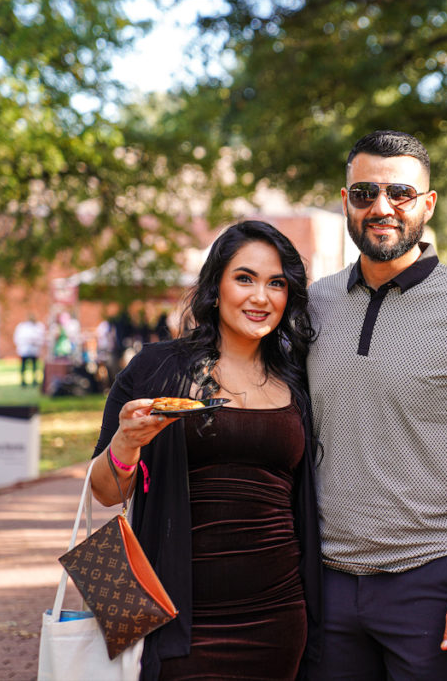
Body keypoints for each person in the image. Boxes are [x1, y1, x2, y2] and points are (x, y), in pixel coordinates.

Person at [305, 130, 447, 680]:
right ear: (346, 199)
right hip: (324, 580)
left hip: (427, 581)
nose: (381, 208)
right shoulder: (312, 305)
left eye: (400, 193)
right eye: (364, 193)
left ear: (427, 203)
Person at [88, 220, 322, 679]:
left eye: (276, 284)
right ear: (214, 287)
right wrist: (126, 445)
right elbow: (105, 492)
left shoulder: (298, 378)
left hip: (278, 615)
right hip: (177, 615)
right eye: (245, 278)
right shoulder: (157, 369)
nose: (261, 297)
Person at [14, 314, 47, 387]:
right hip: (24, 349)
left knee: (34, 366)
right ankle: (23, 381)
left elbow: (41, 337)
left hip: (33, 349)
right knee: (24, 366)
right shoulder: (22, 327)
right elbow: (18, 338)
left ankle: (34, 380)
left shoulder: (37, 326)